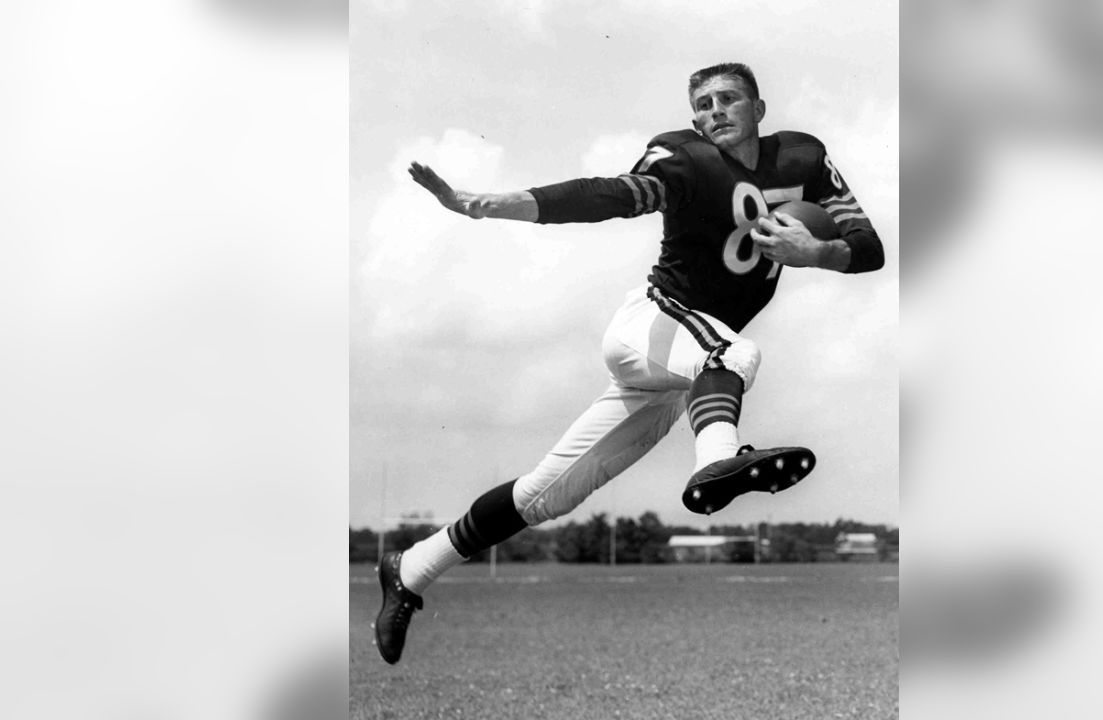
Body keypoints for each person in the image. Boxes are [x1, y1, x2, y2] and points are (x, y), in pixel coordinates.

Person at [374, 62, 884, 664]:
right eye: (702, 103)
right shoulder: (685, 158)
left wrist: (820, 251)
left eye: (728, 99)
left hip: (683, 370)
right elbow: (611, 194)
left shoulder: (802, 159)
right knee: (734, 352)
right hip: (652, 325)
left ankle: (410, 568)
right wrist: (486, 203)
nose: (713, 111)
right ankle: (719, 460)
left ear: (759, 109)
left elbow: (868, 247)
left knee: (546, 498)